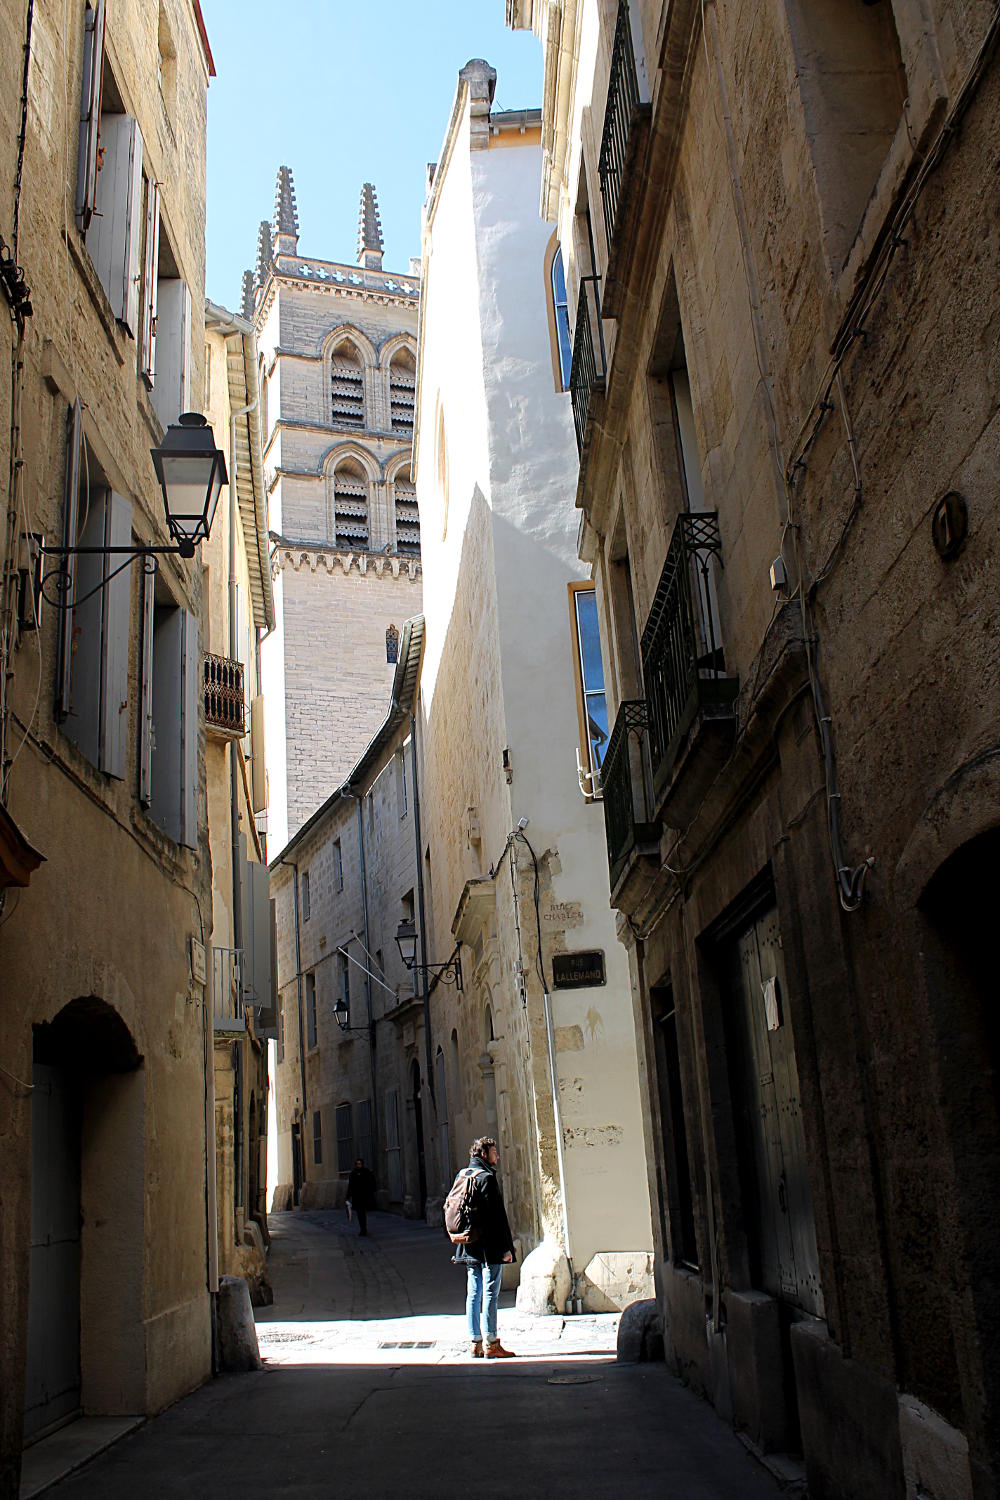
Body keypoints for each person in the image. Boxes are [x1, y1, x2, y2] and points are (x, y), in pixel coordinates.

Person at [451, 1136, 515, 1359]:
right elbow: (497, 1217)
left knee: (473, 1292)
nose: (497, 1155)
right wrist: (506, 1248)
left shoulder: (463, 1175)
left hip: (469, 1244)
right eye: (494, 1152)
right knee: (490, 1291)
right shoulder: (487, 1178)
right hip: (489, 1245)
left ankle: (475, 1342)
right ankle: (491, 1342)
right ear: (484, 1154)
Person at [346, 1157, 376, 1236]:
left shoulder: (366, 1172)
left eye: (360, 1164)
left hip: (364, 1196)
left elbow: (372, 1182)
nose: (358, 1165)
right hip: (356, 1197)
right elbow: (350, 1185)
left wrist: (371, 1192)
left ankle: (364, 1229)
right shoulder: (353, 1173)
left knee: (363, 1213)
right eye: (357, 1164)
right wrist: (348, 1195)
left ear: (362, 1164)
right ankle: (362, 1229)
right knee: (359, 1214)